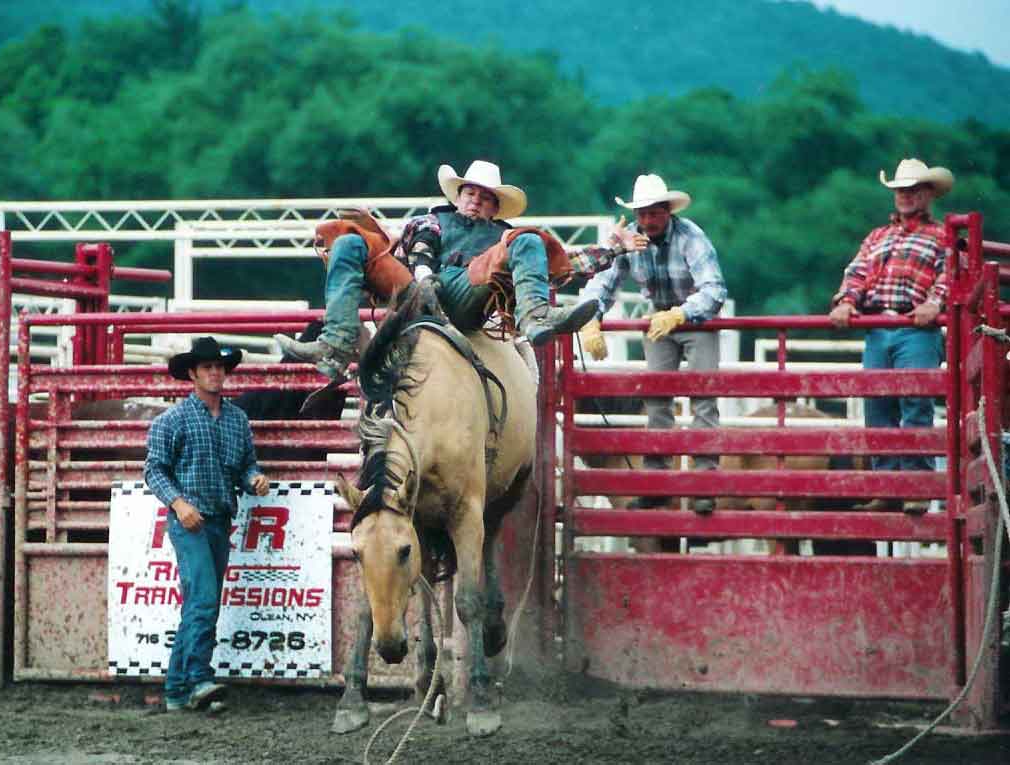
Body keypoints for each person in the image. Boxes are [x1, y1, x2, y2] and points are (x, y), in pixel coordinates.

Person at [274, 160, 599, 380]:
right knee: (348, 240)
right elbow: (417, 246)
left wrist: (615, 248)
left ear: (495, 208)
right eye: (470, 193)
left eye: (485, 198)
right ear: (458, 196)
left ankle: (535, 317)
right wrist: (421, 274)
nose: (475, 201)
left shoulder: (505, 237)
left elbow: (564, 263)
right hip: (414, 288)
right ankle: (336, 344)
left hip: (464, 294)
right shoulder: (427, 221)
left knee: (529, 240)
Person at [570, 174, 728, 515]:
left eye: (653, 213)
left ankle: (704, 485)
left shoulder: (691, 237)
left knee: (703, 399)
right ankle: (657, 485)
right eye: (642, 214)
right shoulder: (630, 242)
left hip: (695, 320)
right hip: (658, 320)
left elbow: (714, 290)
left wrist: (680, 314)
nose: (647, 220)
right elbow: (604, 282)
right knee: (656, 402)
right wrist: (592, 316)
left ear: (667, 212)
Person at [144, 336, 271, 711]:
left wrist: (254, 478)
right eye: (207, 368)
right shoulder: (173, 420)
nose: (215, 373)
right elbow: (154, 469)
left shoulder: (237, 420)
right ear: (192, 374)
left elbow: (247, 462)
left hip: (219, 520)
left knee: (201, 604)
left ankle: (177, 691)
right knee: (202, 599)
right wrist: (179, 504)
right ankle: (200, 679)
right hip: (190, 523)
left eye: (219, 367)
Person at [828, 158, 954, 515]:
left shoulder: (943, 235)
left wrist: (935, 302)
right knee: (878, 408)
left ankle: (915, 486)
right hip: (877, 327)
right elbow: (855, 274)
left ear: (928, 194)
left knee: (916, 403)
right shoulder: (877, 237)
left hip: (917, 328)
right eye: (901, 190)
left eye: (913, 189)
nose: (905, 196)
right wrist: (847, 301)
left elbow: (951, 276)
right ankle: (887, 487)